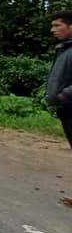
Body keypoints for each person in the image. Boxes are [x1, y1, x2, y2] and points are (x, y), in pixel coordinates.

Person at [46, 10, 72, 150]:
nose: (53, 30)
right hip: (66, 108)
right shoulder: (64, 48)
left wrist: (64, 95)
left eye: (57, 25)